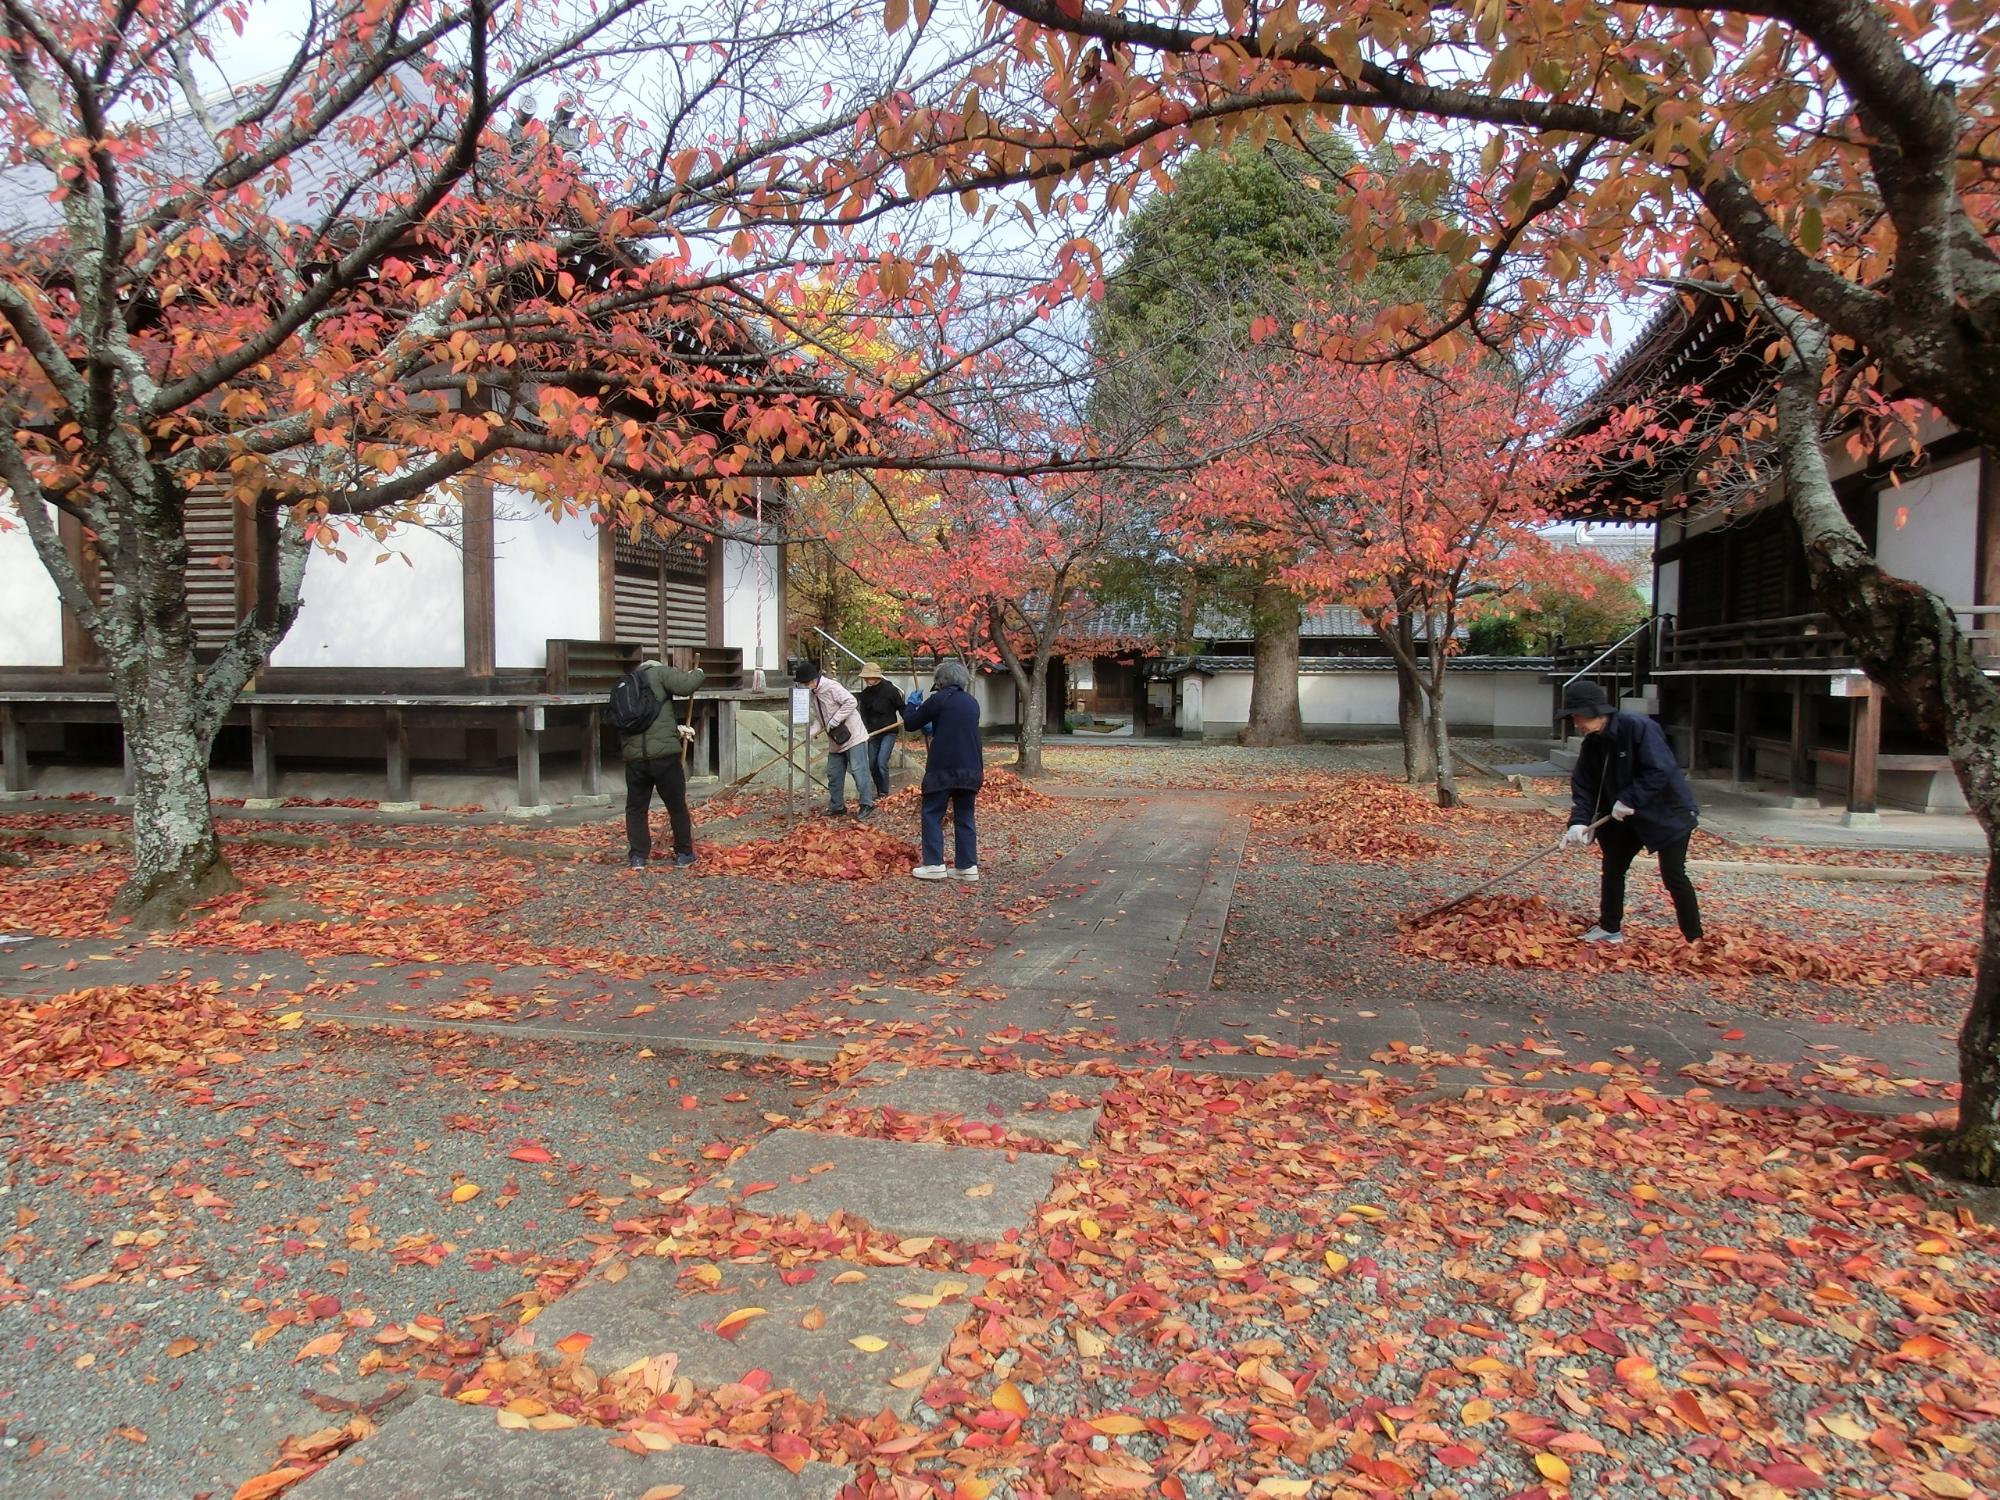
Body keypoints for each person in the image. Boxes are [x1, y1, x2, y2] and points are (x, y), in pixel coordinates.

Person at [1561, 678, 1704, 944]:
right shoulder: (1592, 742)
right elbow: (1584, 786)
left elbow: (1659, 769)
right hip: (1620, 817)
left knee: (1673, 875)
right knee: (1613, 867)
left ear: (1596, 711)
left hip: (1666, 812)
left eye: (1578, 716)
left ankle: (1693, 937)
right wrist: (1579, 822)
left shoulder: (1638, 728)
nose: (1576, 723)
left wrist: (1629, 798)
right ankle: (1609, 928)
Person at [620, 655, 705, 870]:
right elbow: (686, 686)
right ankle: (684, 853)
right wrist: (699, 673)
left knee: (636, 808)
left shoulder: (629, 683)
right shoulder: (661, 673)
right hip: (664, 756)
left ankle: (638, 857)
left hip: (635, 757)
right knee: (676, 806)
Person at [901, 658, 982, 881]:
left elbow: (910, 723)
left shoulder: (939, 699)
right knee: (965, 816)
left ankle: (934, 864)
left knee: (932, 813)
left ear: (941, 681)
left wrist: (911, 705)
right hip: (971, 767)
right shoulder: (972, 702)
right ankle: (967, 867)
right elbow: (954, 726)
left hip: (943, 767)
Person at [794, 659, 873, 817]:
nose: (803, 686)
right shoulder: (813, 694)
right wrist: (812, 732)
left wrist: (835, 720)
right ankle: (837, 805)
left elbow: (851, 701)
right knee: (833, 773)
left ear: (813, 680)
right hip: (835, 740)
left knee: (859, 771)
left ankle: (867, 804)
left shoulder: (831, 687)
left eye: (804, 683)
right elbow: (820, 718)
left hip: (853, 736)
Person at [854, 661, 905, 800]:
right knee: (872, 764)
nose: (866, 680)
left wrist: (909, 719)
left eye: (868, 677)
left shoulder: (891, 691)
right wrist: (865, 730)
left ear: (876, 677)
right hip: (873, 733)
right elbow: (863, 714)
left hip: (889, 731)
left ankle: (883, 792)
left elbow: (901, 707)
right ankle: (879, 790)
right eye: (865, 678)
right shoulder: (865, 694)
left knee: (881, 762)